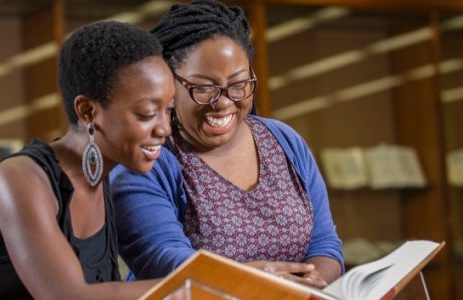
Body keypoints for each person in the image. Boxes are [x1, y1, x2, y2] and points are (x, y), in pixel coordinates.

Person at [109, 0, 344, 289]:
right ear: (168, 85)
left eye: (238, 85)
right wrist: (250, 283)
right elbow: (163, 260)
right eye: (204, 88)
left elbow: (324, 242)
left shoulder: (285, 141)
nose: (223, 102)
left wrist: (309, 283)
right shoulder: (148, 158)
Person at [0, 20, 175, 299]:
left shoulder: (103, 181)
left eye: (168, 111)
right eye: (147, 114)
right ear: (88, 111)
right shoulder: (18, 180)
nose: (165, 129)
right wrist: (196, 286)